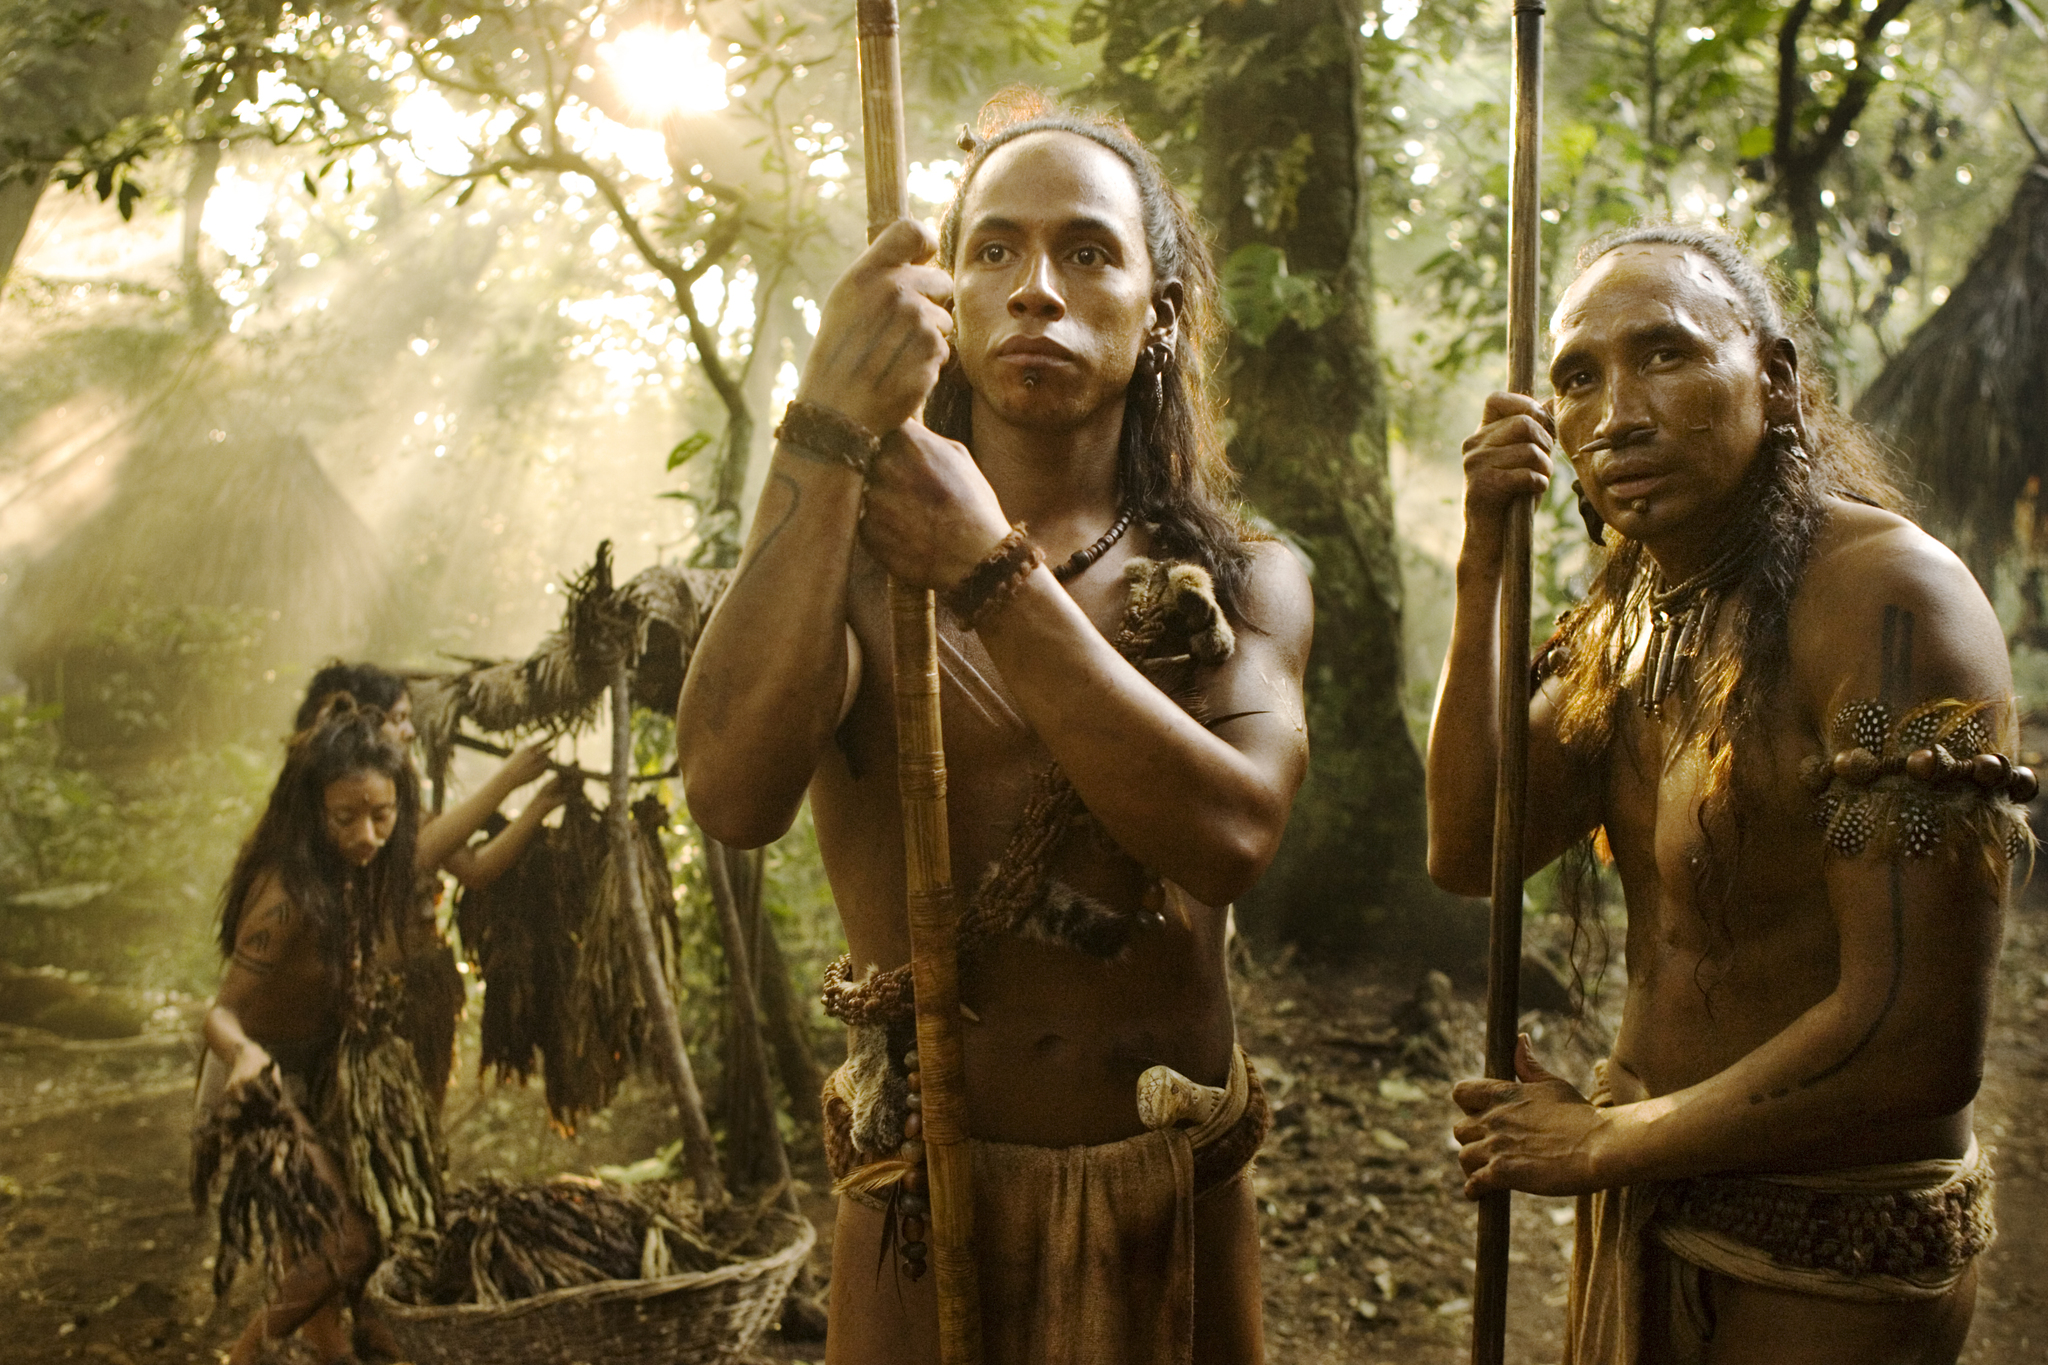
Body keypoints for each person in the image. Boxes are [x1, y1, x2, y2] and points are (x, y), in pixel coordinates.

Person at [677, 91, 1312, 1365]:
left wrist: (989, 574)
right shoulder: (850, 566)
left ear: (1160, 313)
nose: (1035, 288)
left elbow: (1230, 833)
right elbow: (730, 798)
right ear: (944, 305)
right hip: (926, 1202)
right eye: (992, 251)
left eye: (1086, 251)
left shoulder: (1239, 580)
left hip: (1167, 1205)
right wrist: (823, 423)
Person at [1429, 225, 2030, 1364]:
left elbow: (1913, 1034)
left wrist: (1602, 1146)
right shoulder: (1625, 621)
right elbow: (1471, 849)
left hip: (1825, 1259)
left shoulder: (1888, 607)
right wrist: (1481, 569)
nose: (1616, 412)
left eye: (1664, 354)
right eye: (1576, 377)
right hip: (1657, 1212)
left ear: (1775, 379)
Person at [198, 696, 441, 1365]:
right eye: (347, 817)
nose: (367, 833)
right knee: (347, 1244)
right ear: (314, 812)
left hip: (320, 1072)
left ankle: (337, 1347)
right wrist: (247, 1059)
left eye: (382, 814)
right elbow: (219, 1013)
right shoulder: (286, 890)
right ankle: (242, 1356)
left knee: (366, 1251)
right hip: (260, 1079)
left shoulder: (361, 873)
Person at [292, 661, 568, 1105]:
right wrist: (508, 778)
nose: (409, 732)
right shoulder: (348, 822)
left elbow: (476, 868)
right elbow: (417, 856)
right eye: (398, 719)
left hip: (422, 988)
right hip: (372, 1002)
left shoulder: (404, 808)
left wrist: (539, 805)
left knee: (421, 1111)